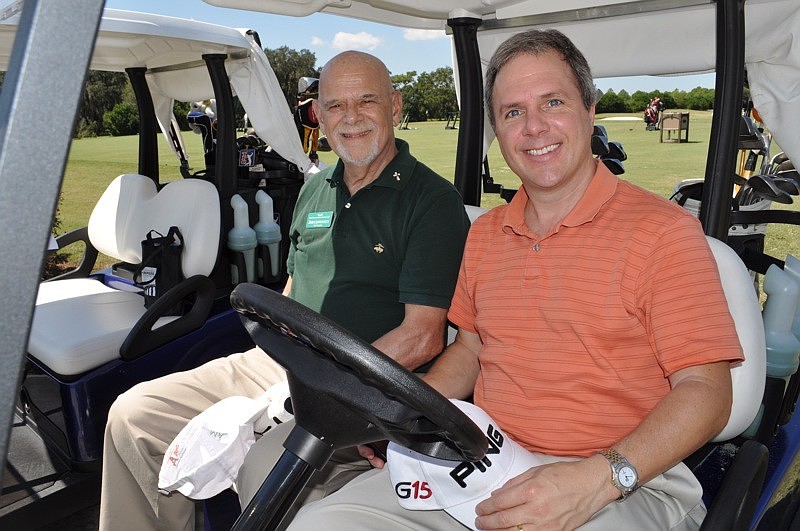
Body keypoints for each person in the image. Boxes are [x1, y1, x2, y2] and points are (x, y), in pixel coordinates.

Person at [279, 29, 744, 530]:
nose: (534, 128)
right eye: (513, 112)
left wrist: (596, 479)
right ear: (498, 133)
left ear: (590, 111)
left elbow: (707, 391)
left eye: (553, 102)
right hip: (488, 459)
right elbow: (470, 351)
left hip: (627, 477)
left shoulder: (663, 233)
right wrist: (404, 424)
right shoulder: (488, 235)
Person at [98, 50, 470, 531]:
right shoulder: (315, 190)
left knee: (269, 471)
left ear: (395, 108)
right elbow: (294, 291)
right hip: (277, 365)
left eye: (367, 101)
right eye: (335, 106)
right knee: (132, 416)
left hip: (359, 385)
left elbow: (423, 337)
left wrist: (324, 387)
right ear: (319, 114)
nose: (350, 118)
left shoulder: (432, 202)